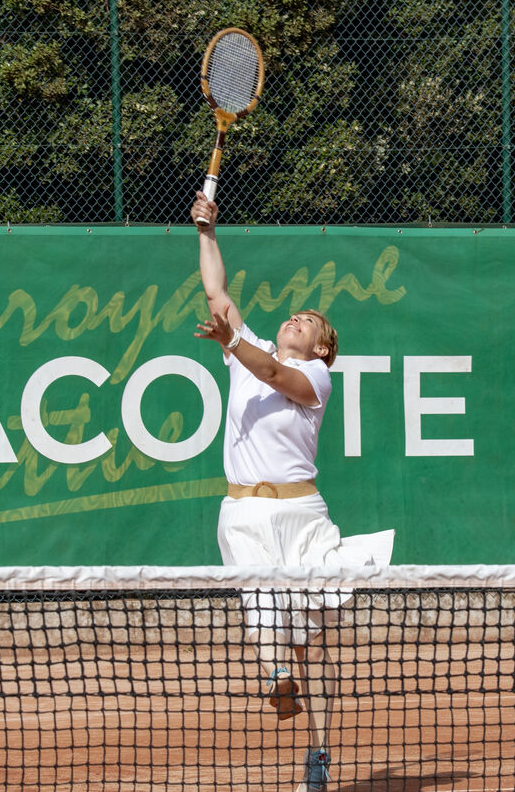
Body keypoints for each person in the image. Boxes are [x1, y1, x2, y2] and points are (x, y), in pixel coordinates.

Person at [191, 191, 394, 792]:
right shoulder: (245, 354)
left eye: (308, 321)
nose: (295, 319)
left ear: (322, 347)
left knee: (312, 642)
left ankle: (319, 753)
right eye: (292, 316)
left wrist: (232, 342)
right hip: (242, 512)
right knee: (262, 611)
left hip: (302, 517)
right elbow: (217, 296)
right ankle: (277, 678)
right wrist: (207, 232)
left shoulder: (315, 376)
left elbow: (273, 372)